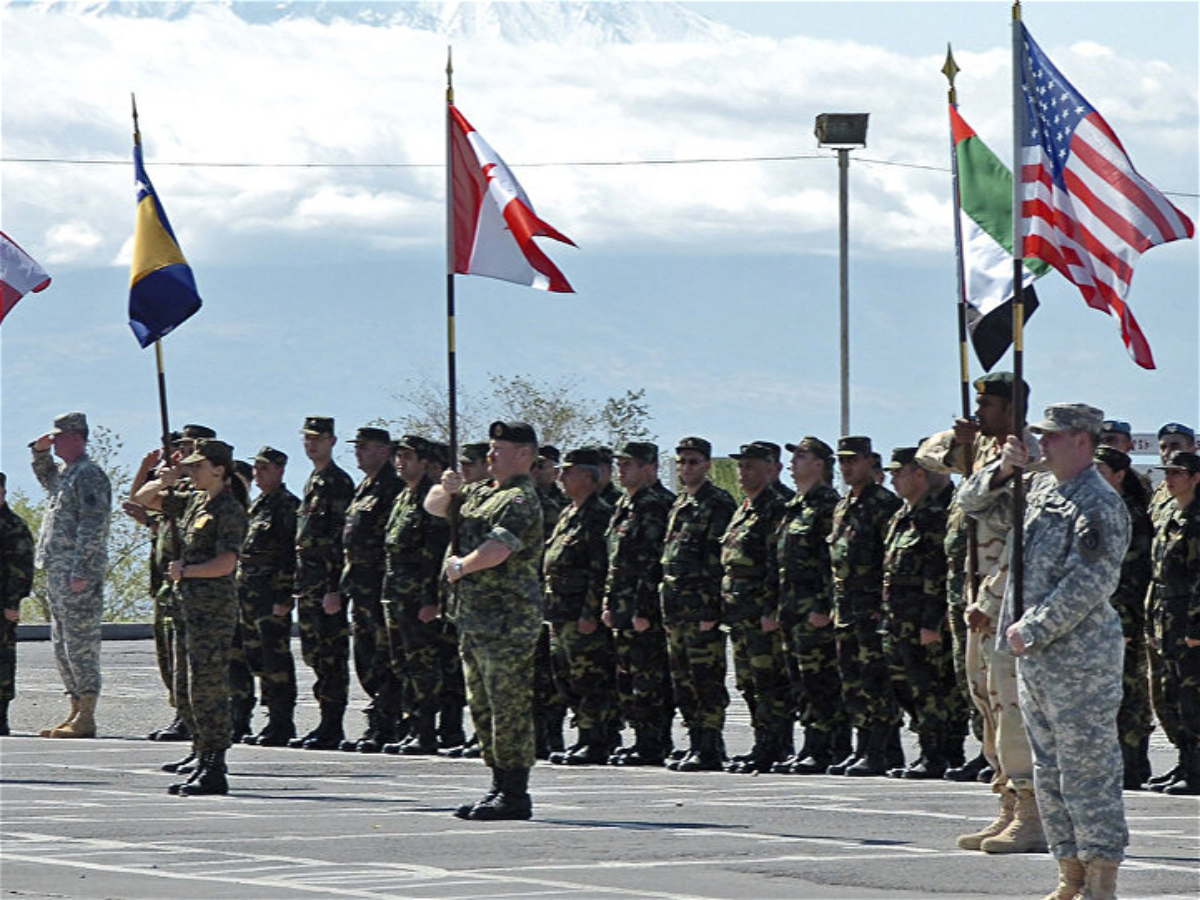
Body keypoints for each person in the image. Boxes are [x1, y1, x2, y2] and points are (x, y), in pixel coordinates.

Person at [959, 403, 1131, 900]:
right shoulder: (1037, 490)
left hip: (1079, 661)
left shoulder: (1097, 502)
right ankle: (1069, 875)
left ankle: (1100, 879)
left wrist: (1030, 627)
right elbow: (972, 504)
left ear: (1082, 440)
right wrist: (1003, 468)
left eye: (1052, 436)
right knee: (1049, 772)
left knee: (1088, 771)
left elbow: (1091, 581)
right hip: (1034, 659)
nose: (1042, 443)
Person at [918, 373, 1046, 854]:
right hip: (977, 598)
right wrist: (963, 440)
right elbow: (930, 455)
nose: (978, 413)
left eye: (987, 405)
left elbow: (1022, 540)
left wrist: (992, 600)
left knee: (1011, 705)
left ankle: (1031, 812)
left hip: (1010, 597)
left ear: (1012, 408)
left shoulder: (1029, 457)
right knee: (986, 701)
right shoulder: (984, 450)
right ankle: (1007, 804)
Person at [427, 420, 544, 821]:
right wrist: (447, 487)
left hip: (507, 619)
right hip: (475, 618)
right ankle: (497, 784)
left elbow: (497, 550)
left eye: (501, 449)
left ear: (525, 454)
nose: (491, 455)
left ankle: (514, 791)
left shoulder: (519, 500)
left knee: (507, 703)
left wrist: (460, 566)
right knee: (482, 704)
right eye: (491, 448)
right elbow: (435, 507)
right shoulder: (480, 493)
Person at [135, 439, 250, 795]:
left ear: (219, 470)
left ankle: (215, 764)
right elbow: (144, 499)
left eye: (198, 466)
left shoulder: (228, 509)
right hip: (187, 607)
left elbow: (227, 563)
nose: (193, 470)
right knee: (187, 687)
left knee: (208, 688)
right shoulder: (194, 502)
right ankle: (201, 755)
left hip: (212, 609)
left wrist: (187, 571)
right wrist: (165, 480)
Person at [30, 411, 113, 739]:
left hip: (77, 573)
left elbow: (93, 526)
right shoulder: (66, 474)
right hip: (57, 569)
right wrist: (39, 453)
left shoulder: (89, 475)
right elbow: (44, 475)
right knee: (62, 643)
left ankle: (87, 713)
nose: (54, 441)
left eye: (58, 437)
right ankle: (76, 707)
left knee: (80, 643)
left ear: (77, 437)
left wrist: (82, 569)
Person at [879, 447, 958, 779]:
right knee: (905, 687)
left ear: (920, 474)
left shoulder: (933, 517)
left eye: (900, 472)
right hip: (896, 619)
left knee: (930, 688)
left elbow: (936, 574)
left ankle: (939, 753)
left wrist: (930, 622)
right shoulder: (901, 516)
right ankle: (927, 750)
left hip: (920, 619)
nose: (893, 478)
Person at [660, 436, 736, 773]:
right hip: (678, 610)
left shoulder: (717, 504)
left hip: (701, 610)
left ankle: (709, 744)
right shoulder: (679, 504)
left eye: (692, 461)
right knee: (683, 680)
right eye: (681, 462)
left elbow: (717, 564)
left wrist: (710, 611)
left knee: (706, 677)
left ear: (706, 464)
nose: (685, 468)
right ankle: (695, 740)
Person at [768, 436, 843, 775]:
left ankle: (828, 746)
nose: (794, 461)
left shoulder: (827, 504)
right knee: (800, 680)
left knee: (820, 679)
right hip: (792, 609)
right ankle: (812, 743)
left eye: (801, 455)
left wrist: (826, 606)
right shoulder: (795, 506)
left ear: (820, 464)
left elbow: (834, 561)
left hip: (814, 610)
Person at [827, 435, 902, 776]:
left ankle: (881, 750)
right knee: (852, 680)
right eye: (842, 461)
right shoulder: (844, 506)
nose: (846, 467)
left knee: (876, 680)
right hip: (846, 607)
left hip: (871, 606)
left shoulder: (883, 504)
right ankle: (864, 746)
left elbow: (890, 560)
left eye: (852, 460)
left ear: (871, 462)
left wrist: (882, 605)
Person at [603, 441, 676, 767]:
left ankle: (654, 741)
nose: (622, 469)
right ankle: (641, 738)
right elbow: (616, 561)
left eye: (629, 464)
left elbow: (653, 563)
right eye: (620, 464)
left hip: (642, 609)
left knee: (649, 677)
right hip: (622, 607)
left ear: (650, 468)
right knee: (628, 677)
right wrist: (610, 602)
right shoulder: (624, 504)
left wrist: (644, 609)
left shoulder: (656, 504)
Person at [379, 434, 451, 756]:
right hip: (396, 595)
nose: (400, 462)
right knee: (403, 664)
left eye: (408, 457)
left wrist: (430, 599)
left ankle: (427, 730)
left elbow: (433, 554)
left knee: (423, 665)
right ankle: (412, 726)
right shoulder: (402, 498)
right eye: (399, 456)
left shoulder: (430, 499)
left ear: (424, 463)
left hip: (416, 597)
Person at [721, 441, 790, 773]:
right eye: (741, 466)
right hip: (740, 612)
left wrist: (772, 610)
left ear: (771, 468)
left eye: (751, 466)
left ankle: (776, 744)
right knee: (748, 682)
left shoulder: (776, 507)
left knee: (769, 682)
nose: (743, 472)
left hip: (761, 611)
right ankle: (763, 741)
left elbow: (779, 565)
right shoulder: (745, 507)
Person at [543, 447, 614, 765]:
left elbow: (600, 569)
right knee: (567, 678)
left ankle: (596, 738)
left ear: (587, 475)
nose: (562, 477)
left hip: (581, 615)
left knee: (590, 678)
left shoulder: (598, 514)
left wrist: (590, 612)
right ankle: (585, 734)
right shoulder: (568, 512)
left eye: (568, 472)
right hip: (560, 613)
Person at [289, 416, 356, 750]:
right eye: (307, 439)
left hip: (325, 584)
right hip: (309, 583)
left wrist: (335, 587)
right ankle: (324, 721)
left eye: (317, 438)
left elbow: (338, 540)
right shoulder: (313, 481)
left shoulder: (337, 483)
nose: (310, 444)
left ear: (332, 441)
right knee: (315, 653)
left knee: (331, 654)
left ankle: (333, 724)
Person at [339, 426, 403, 753]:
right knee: (365, 654)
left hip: (381, 585)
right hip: (360, 587)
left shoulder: (393, 487)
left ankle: (387, 722)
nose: (358, 451)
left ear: (384, 450)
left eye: (365, 446)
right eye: (357, 446)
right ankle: (381, 716)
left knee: (385, 656)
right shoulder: (364, 487)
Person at [1093, 446, 1154, 788]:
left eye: (1102, 472)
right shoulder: (1100, 510)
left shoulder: (1129, 514)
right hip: (1100, 617)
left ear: (1119, 476)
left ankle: (1133, 765)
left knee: (1128, 692)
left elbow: (1133, 573)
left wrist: (1127, 623)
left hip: (1122, 618)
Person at [235, 446, 300, 747]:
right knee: (255, 658)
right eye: (256, 468)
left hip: (270, 593)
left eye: (265, 468)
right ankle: (266, 718)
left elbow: (289, 554)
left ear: (280, 470)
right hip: (248, 594)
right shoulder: (257, 505)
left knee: (276, 660)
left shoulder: (287, 507)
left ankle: (281, 721)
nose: (258, 474)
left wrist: (285, 595)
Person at [1144, 422, 1197, 789]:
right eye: (1168, 472)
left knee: (1193, 700)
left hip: (1189, 623)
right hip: (1166, 618)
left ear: (1195, 477)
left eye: (1178, 473)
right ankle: (1184, 764)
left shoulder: (1195, 522)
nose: (1171, 478)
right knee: (1171, 696)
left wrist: (1196, 629)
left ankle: (1196, 771)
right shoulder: (1170, 516)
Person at [0, 472, 36, 736]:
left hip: (2, 603)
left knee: (2, 659)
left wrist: (12, 602)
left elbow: (21, 569)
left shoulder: (13, 526)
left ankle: (0, 716)